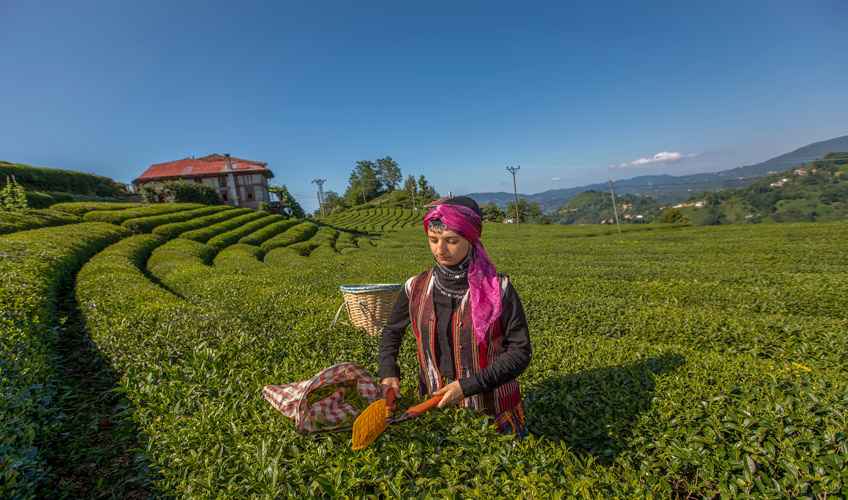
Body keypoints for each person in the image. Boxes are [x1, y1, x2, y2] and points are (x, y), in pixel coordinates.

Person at [377, 196, 531, 437]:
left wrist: (468, 386)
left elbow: (520, 352)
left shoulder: (498, 289)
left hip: (493, 408)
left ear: (470, 239)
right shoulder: (415, 286)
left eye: (451, 241)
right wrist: (388, 372)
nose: (440, 249)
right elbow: (391, 333)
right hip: (433, 403)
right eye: (433, 240)